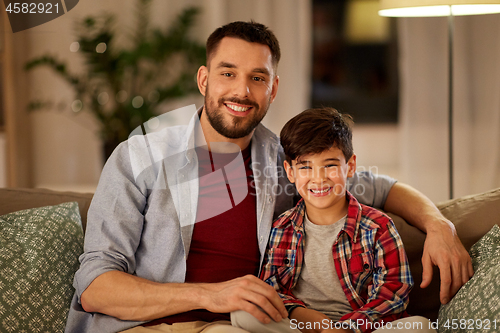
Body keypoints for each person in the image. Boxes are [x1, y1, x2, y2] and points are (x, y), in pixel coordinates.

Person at [65, 21, 472, 333]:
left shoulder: (286, 163)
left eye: (257, 78)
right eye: (228, 73)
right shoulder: (140, 156)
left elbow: (381, 188)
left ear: (272, 89)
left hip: (242, 326)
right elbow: (96, 285)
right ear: (204, 79)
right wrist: (213, 294)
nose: (241, 91)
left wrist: (439, 224)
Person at [231, 108, 434, 333]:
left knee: (419, 326)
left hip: (361, 328)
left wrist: (345, 329)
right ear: (290, 171)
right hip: (304, 327)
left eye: (329, 165)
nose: (318, 179)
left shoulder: (378, 227)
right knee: (243, 312)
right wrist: (315, 323)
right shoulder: (282, 228)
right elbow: (272, 290)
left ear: (351, 166)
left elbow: (394, 294)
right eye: (305, 166)